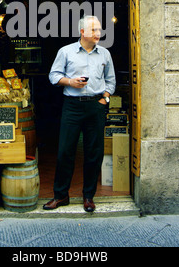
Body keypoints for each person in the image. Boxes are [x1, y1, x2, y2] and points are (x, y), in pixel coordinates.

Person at [43, 15, 116, 212]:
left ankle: (88, 197)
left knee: (94, 153)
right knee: (65, 151)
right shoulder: (65, 52)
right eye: (94, 30)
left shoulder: (105, 54)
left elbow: (111, 81)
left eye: (99, 30)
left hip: (95, 106)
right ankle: (61, 196)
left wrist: (104, 99)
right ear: (82, 32)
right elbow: (53, 76)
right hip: (72, 106)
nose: (99, 34)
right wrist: (70, 82)